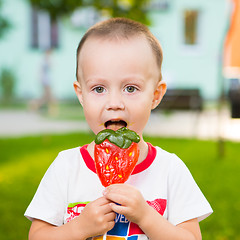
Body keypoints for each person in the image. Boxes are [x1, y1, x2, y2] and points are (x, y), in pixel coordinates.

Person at [25, 17, 213, 240]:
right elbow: (37, 236)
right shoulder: (66, 168)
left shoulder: (170, 171)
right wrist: (78, 228)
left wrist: (146, 217)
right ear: (81, 94)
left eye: (130, 88)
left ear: (155, 95)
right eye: (98, 88)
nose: (114, 102)